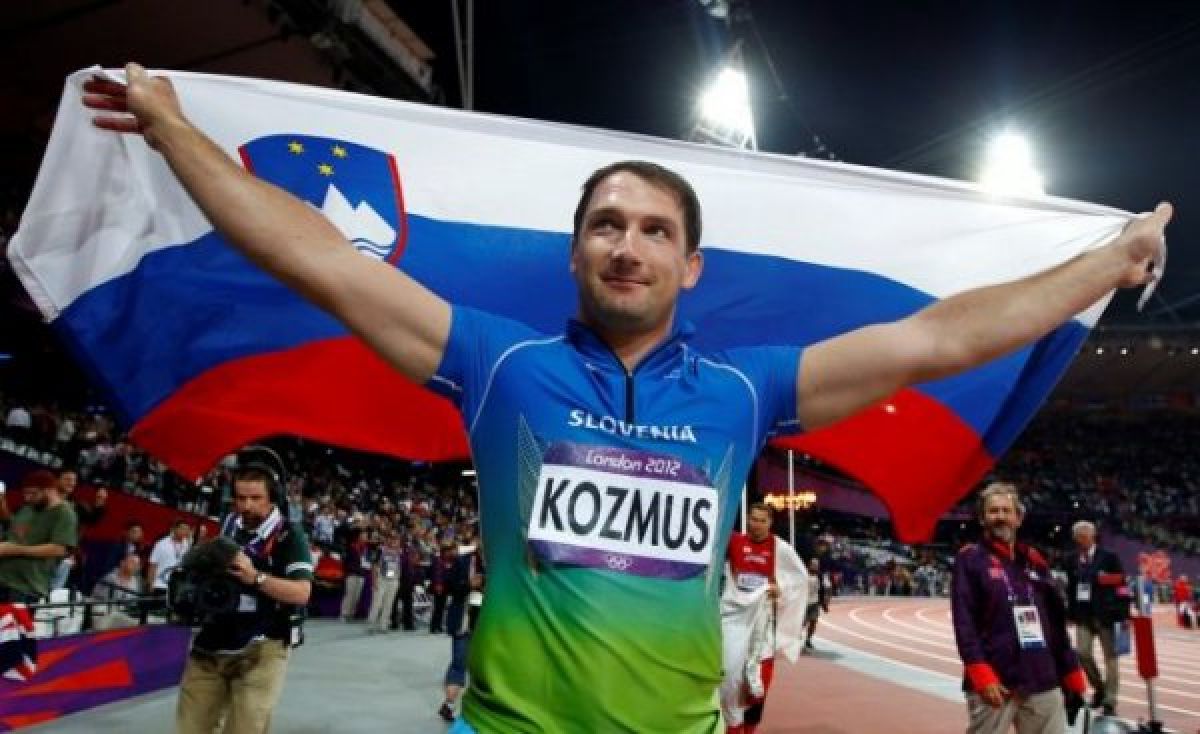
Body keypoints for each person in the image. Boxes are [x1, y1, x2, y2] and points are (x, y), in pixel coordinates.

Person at [84, 65, 1172, 732]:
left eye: (655, 230)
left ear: (689, 266)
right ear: (574, 252)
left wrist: (1106, 263)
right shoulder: (501, 365)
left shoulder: (745, 391)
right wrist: (175, 130)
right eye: (606, 224)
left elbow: (936, 336)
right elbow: (322, 258)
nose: (628, 245)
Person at [175, 446, 313, 734]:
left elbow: (302, 593)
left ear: (273, 497)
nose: (247, 506)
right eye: (241, 498)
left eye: (255, 498)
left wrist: (256, 578)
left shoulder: (289, 535)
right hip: (212, 643)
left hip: (261, 650)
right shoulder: (228, 524)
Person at [951, 483, 1087, 734]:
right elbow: (964, 621)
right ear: (982, 518)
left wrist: (1070, 667)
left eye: (1006, 510)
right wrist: (979, 670)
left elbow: (1055, 622)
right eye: (993, 511)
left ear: (1018, 518)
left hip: (1042, 674)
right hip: (996, 678)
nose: (1000, 517)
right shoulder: (970, 559)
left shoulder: (1034, 560)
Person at [719, 503, 808, 734]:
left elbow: (800, 578)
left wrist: (782, 589)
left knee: (760, 683)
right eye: (753, 519)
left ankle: (749, 728)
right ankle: (732, 726)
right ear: (747, 519)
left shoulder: (779, 547)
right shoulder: (734, 542)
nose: (756, 525)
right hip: (735, 619)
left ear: (770, 523)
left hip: (761, 621)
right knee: (730, 679)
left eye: (762, 521)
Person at [1064, 521, 1129, 716]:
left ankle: (1110, 700)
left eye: (1085, 536)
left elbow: (1122, 583)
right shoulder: (1071, 559)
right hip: (1083, 615)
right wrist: (1070, 613)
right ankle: (1100, 689)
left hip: (1107, 615)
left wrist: (1124, 614)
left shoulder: (1109, 557)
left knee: (1111, 659)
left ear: (1093, 537)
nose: (1081, 540)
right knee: (1082, 653)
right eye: (1078, 537)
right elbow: (1071, 588)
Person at [0, 469, 79, 603]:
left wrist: (16, 549)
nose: (27, 498)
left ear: (49, 490)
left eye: (32, 493)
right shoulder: (29, 507)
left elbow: (59, 549)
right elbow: (14, 530)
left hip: (25, 588)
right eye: (25, 493)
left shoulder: (64, 514)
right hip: (4, 579)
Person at [438, 539, 485, 723]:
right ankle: (449, 704)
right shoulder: (462, 560)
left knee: (480, 666)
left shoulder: (498, 564)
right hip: (463, 621)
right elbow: (450, 587)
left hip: (487, 622)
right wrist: (469, 585)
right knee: (459, 662)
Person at [147, 519, 193, 597]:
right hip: (160, 585)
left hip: (176, 587)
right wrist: (150, 584)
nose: (184, 531)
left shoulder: (187, 545)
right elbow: (153, 565)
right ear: (175, 529)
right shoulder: (161, 544)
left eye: (186, 529)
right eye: (182, 528)